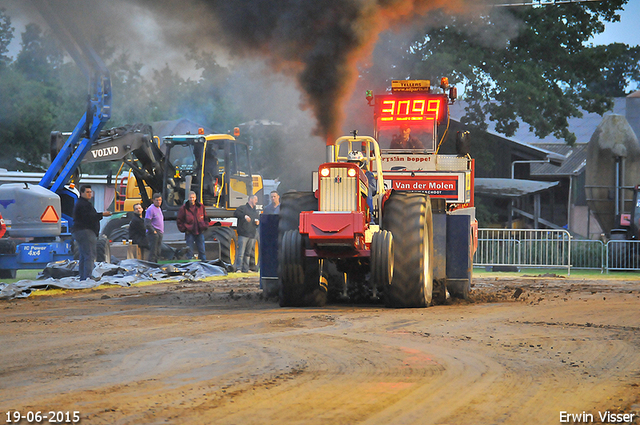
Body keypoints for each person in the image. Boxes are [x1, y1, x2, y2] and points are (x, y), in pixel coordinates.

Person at [72, 185, 112, 280]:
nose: (89, 194)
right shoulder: (83, 204)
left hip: (79, 231)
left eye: (90, 192)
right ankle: (88, 277)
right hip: (85, 231)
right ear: (81, 193)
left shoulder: (83, 203)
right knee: (89, 255)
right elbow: (89, 217)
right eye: (87, 192)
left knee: (83, 255)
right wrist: (102, 214)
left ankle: (83, 277)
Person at [177, 191, 209, 260]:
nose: (192, 199)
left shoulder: (201, 207)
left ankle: (204, 265)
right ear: (188, 198)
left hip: (200, 232)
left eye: (193, 197)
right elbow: (179, 220)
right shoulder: (184, 208)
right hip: (190, 233)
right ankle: (190, 267)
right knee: (189, 252)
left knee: (202, 251)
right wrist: (184, 228)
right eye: (190, 198)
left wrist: (205, 226)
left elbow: (206, 217)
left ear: (195, 198)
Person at [234, 194, 259, 272]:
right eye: (255, 200)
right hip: (243, 235)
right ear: (250, 200)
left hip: (252, 235)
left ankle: (246, 269)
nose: (256, 201)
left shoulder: (255, 211)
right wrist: (244, 216)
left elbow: (257, 219)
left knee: (248, 254)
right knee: (241, 253)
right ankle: (238, 268)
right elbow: (235, 213)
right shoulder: (242, 208)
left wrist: (257, 222)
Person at [145, 193, 164, 263]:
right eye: (157, 200)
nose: (158, 202)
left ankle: (157, 263)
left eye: (160, 200)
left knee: (158, 251)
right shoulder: (150, 209)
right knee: (153, 251)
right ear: (153, 200)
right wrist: (153, 231)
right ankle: (152, 264)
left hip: (160, 232)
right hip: (154, 233)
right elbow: (147, 223)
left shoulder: (159, 208)